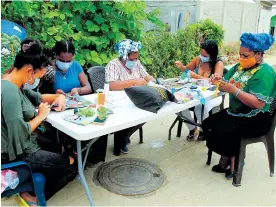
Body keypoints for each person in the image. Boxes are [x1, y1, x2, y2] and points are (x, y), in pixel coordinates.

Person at [1, 39, 78, 204]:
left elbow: (38, 97)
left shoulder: (14, 84)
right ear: (29, 71)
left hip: (24, 144)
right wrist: (41, 116)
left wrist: (60, 97)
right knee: (72, 165)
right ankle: (34, 196)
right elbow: (19, 135)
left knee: (61, 147)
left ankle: (32, 187)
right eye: (38, 76)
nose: (37, 82)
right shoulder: (10, 93)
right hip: (17, 153)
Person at [202, 33, 276, 179]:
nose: (241, 58)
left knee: (228, 129)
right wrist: (217, 81)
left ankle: (233, 164)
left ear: (259, 54)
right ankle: (228, 157)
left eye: (246, 55)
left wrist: (234, 91)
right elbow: (225, 83)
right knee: (208, 124)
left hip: (257, 117)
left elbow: (258, 103)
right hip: (236, 112)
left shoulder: (266, 73)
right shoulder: (239, 67)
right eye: (240, 54)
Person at [105, 39, 153, 155]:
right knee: (134, 114)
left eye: (136, 58)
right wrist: (134, 82)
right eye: (132, 59)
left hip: (135, 98)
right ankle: (122, 139)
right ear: (123, 56)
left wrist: (152, 81)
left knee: (149, 111)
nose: (135, 61)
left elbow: (146, 76)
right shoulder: (113, 65)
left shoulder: (137, 63)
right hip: (118, 102)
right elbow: (112, 85)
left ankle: (124, 136)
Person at [174, 40, 224, 141]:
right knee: (177, 104)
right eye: (201, 53)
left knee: (199, 107)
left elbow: (216, 82)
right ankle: (192, 128)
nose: (202, 56)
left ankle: (203, 130)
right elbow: (186, 71)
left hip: (213, 95)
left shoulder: (218, 63)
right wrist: (181, 67)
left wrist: (196, 76)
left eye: (204, 55)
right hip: (196, 93)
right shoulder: (198, 60)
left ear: (212, 55)